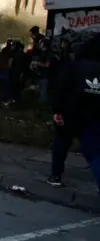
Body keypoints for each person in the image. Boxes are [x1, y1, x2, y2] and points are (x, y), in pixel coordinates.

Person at [48, 33, 100, 191]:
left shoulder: (74, 66)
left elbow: (60, 88)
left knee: (61, 144)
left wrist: (57, 110)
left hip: (69, 113)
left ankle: (56, 175)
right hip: (93, 117)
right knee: (94, 153)